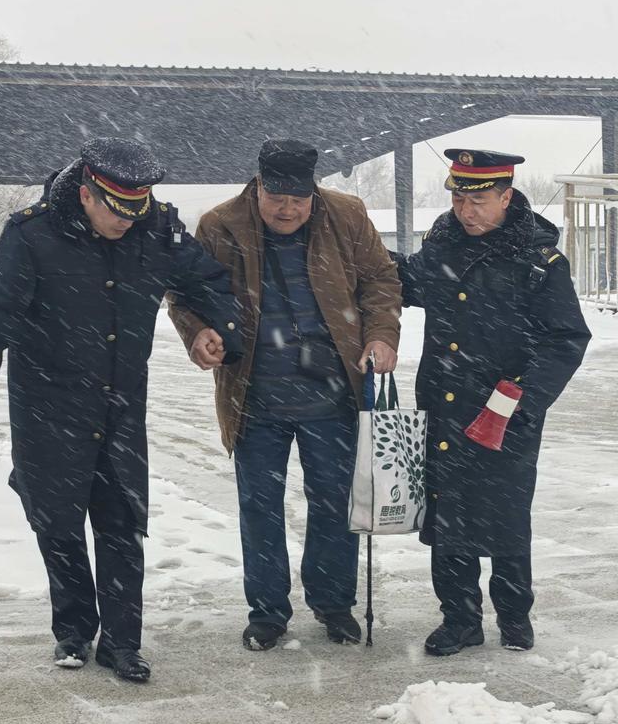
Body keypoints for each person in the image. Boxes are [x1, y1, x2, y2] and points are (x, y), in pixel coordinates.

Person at [0, 137, 243, 682]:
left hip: (122, 404)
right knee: (57, 523)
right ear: (85, 194)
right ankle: (74, 630)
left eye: (136, 210)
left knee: (122, 523)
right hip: (48, 404)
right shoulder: (32, 235)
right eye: (115, 211)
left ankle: (124, 644)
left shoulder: (157, 228)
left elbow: (209, 281)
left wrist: (218, 329)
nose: (125, 221)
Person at [168, 138, 402, 651]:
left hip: (333, 392)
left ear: (314, 193)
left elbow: (381, 281)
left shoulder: (347, 215)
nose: (288, 210)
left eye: (299, 200)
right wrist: (198, 333)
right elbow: (185, 295)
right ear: (259, 186)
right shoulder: (220, 225)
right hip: (255, 396)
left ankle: (333, 603)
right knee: (260, 507)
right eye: (278, 199)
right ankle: (268, 612)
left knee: (336, 503)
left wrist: (381, 335)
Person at [391, 148, 591, 655]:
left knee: (505, 513)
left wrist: (521, 401)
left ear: (506, 196)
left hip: (507, 410)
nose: (466, 210)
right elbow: (405, 282)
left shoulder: (538, 259)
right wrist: (357, 251)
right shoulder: (441, 247)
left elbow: (565, 338)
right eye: (459, 198)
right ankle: (459, 618)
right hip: (444, 403)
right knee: (448, 513)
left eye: (478, 200)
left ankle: (514, 613)